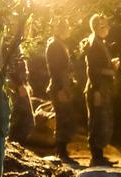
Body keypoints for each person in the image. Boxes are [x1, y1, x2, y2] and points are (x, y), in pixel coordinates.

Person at [83, 14, 120, 166]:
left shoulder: (100, 43)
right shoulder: (93, 44)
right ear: (98, 27)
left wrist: (111, 65)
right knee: (97, 121)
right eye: (105, 25)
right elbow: (92, 70)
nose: (108, 28)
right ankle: (96, 157)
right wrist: (98, 88)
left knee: (102, 120)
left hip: (103, 88)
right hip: (96, 88)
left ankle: (99, 155)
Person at [46, 18, 77, 164]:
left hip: (64, 84)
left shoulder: (61, 45)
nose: (68, 29)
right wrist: (60, 88)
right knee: (62, 118)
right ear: (57, 29)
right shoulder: (54, 46)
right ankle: (61, 152)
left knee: (66, 117)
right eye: (64, 27)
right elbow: (55, 69)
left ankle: (63, 151)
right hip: (59, 86)